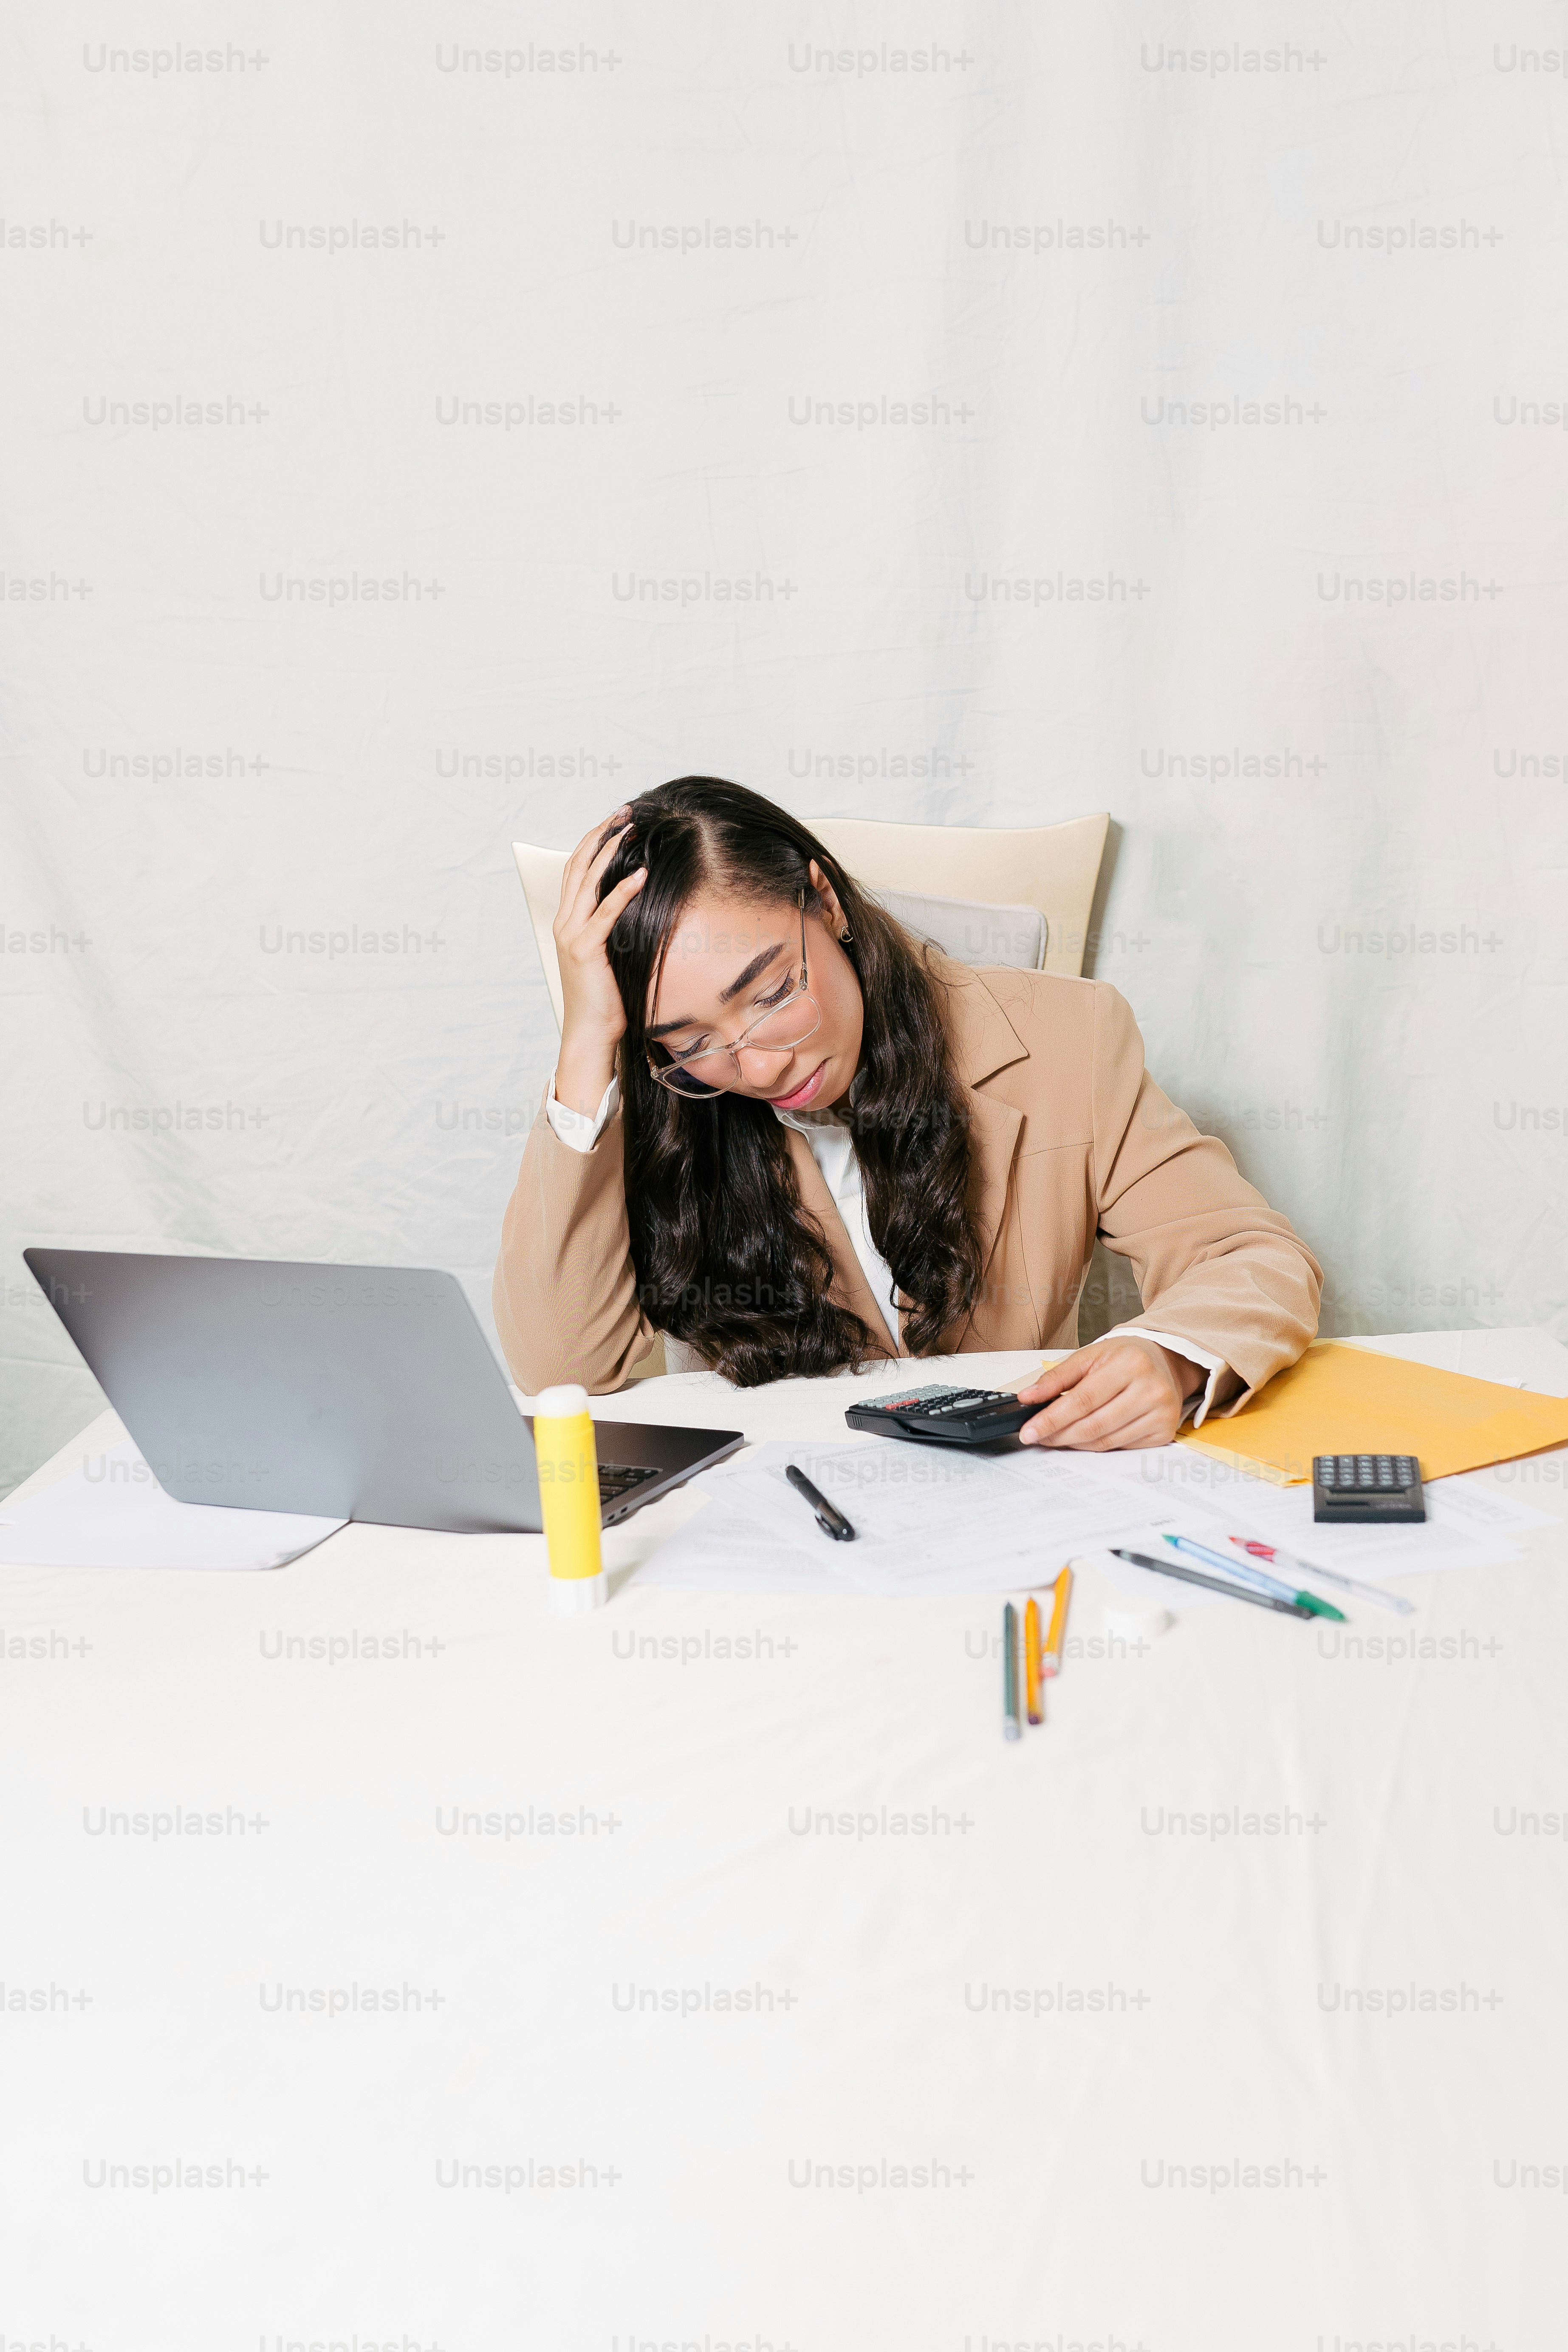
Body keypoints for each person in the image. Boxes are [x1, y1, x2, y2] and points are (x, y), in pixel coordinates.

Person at [494, 778, 1321, 1450]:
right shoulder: (646, 1090)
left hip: (1020, 1499)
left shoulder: (1069, 1035)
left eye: (773, 991)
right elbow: (559, 1370)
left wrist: (1170, 1359)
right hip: (784, 1518)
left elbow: (1248, 1254)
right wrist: (587, 1044)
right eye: (692, 1038)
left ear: (826, 901)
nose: (754, 1064)